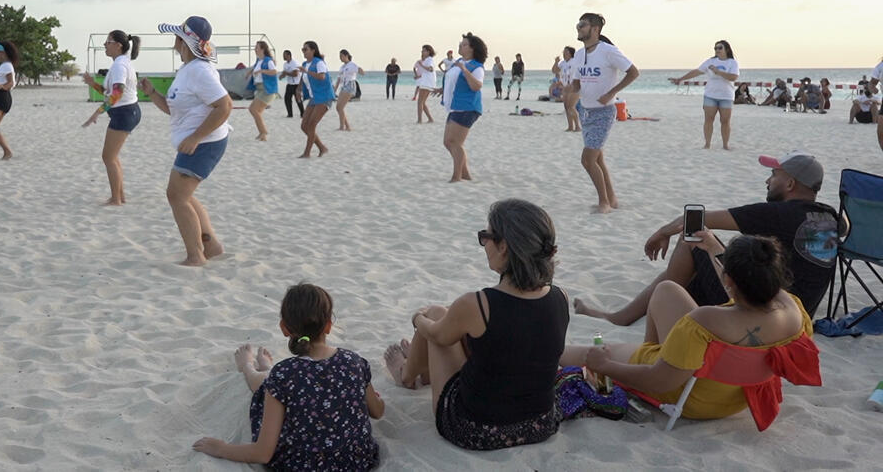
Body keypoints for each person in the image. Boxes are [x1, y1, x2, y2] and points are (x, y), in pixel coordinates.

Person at [562, 233, 819, 424]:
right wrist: (713, 248)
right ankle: (649, 350)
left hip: (694, 397)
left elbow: (660, 381)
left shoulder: (706, 320)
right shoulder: (792, 310)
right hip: (738, 394)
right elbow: (744, 284)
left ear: (729, 280)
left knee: (585, 352)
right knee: (667, 290)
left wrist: (605, 365)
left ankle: (641, 353)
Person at [383, 199, 567, 451]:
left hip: (477, 429)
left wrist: (418, 318)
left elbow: (436, 334)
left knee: (436, 315)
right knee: (469, 330)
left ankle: (406, 375)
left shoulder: (478, 303)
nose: (484, 245)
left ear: (503, 246)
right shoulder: (560, 297)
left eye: (486, 237)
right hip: (540, 424)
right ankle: (419, 371)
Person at [573, 151, 838, 323]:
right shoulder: (830, 217)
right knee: (714, 260)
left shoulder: (778, 213)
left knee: (693, 239)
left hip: (764, 312)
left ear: (790, 184)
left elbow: (697, 218)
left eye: (774, 175)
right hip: (799, 316)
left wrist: (662, 232)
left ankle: (633, 316)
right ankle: (651, 306)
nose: (767, 181)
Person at [193, 283, 384, 469]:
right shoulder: (355, 362)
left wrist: (221, 448)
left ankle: (247, 367)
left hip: (300, 465)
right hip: (356, 462)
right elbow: (377, 411)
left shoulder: (285, 373)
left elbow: (262, 454)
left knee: (267, 388)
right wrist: (373, 399)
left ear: (284, 328)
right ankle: (261, 367)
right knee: (279, 384)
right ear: (328, 326)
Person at [141, 16, 232, 266]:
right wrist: (151, 93)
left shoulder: (200, 71)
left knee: (176, 196)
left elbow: (224, 106)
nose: (174, 44)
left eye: (177, 39)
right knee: (184, 195)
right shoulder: (188, 71)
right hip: (200, 141)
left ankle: (196, 255)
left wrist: (195, 137)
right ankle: (211, 246)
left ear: (186, 42)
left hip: (205, 143)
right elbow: (176, 111)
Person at [570, 13, 639, 214]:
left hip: (604, 112)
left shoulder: (608, 51)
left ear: (595, 29)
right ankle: (612, 199)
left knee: (587, 160)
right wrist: (573, 87)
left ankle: (604, 203)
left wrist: (611, 92)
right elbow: (577, 81)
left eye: (583, 25)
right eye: (578, 24)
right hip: (586, 111)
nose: (578, 28)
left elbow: (634, 72)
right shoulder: (579, 54)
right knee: (598, 159)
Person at [82, 31, 142, 205]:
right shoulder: (119, 64)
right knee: (112, 157)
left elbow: (117, 93)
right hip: (126, 111)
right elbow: (109, 91)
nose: (105, 45)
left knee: (108, 157)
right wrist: (92, 83)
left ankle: (116, 198)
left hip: (125, 112)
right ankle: (119, 196)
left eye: (108, 42)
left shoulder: (119, 66)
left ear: (118, 45)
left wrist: (97, 112)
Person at [669, 40, 740, 149]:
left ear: (727, 49)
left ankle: (725, 145)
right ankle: (707, 144)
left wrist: (718, 72)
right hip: (710, 95)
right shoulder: (710, 61)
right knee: (708, 119)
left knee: (725, 121)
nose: (717, 50)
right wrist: (680, 79)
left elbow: (733, 77)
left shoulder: (732, 62)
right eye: (715, 48)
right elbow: (696, 72)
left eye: (720, 48)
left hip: (726, 96)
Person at [441, 33, 487, 183]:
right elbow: (454, 81)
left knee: (455, 142)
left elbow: (476, 86)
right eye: (460, 43)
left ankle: (457, 176)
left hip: (468, 107)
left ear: (472, 49)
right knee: (448, 142)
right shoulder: (459, 61)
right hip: (456, 106)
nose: (460, 45)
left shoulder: (476, 67)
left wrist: (464, 69)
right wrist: (441, 90)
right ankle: (465, 174)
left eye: (464, 44)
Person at [297, 41, 334, 158]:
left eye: (305, 49)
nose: (303, 51)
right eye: (302, 49)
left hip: (324, 97)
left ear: (313, 50)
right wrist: (298, 90)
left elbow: (322, 77)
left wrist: (307, 71)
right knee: (304, 126)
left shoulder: (319, 63)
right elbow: (303, 78)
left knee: (312, 125)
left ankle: (307, 153)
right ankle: (322, 147)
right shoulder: (305, 63)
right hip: (314, 97)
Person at [244, 40, 279, 141]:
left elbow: (274, 71)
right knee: (254, 110)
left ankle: (263, 132)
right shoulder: (259, 61)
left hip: (267, 90)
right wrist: (249, 73)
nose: (255, 49)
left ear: (262, 49)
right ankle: (262, 133)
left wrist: (262, 71)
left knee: (254, 110)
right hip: (260, 89)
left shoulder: (268, 60)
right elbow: (255, 68)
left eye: (257, 47)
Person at [334, 49, 360, 131]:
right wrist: (334, 90)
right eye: (339, 56)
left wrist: (361, 71)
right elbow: (338, 79)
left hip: (350, 85)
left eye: (341, 56)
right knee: (338, 107)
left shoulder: (352, 65)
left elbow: (359, 70)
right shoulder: (342, 67)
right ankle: (347, 126)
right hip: (343, 86)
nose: (340, 58)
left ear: (346, 56)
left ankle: (342, 126)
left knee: (340, 107)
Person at [558, 47, 580, 132]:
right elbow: (555, 70)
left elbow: (579, 73)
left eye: (566, 52)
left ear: (570, 53)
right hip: (565, 87)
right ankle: (570, 126)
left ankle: (577, 126)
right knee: (566, 107)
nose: (564, 53)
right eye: (563, 52)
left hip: (574, 86)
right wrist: (556, 62)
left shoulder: (575, 62)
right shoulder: (562, 63)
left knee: (571, 107)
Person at [415, 44, 437, 123]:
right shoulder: (427, 60)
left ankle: (419, 120)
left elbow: (430, 69)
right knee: (422, 102)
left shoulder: (429, 60)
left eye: (424, 50)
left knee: (420, 102)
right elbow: (427, 72)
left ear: (428, 52)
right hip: (427, 81)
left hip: (427, 83)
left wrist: (421, 65)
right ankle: (430, 119)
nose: (422, 52)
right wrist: (418, 76)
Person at [279, 50, 304, 119]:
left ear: (289, 55)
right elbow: (285, 73)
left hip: (296, 84)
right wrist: (281, 76)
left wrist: (286, 73)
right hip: (290, 84)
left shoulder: (294, 63)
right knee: (287, 99)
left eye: (284, 55)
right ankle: (290, 114)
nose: (283, 56)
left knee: (298, 99)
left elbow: (295, 74)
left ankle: (303, 113)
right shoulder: (285, 64)